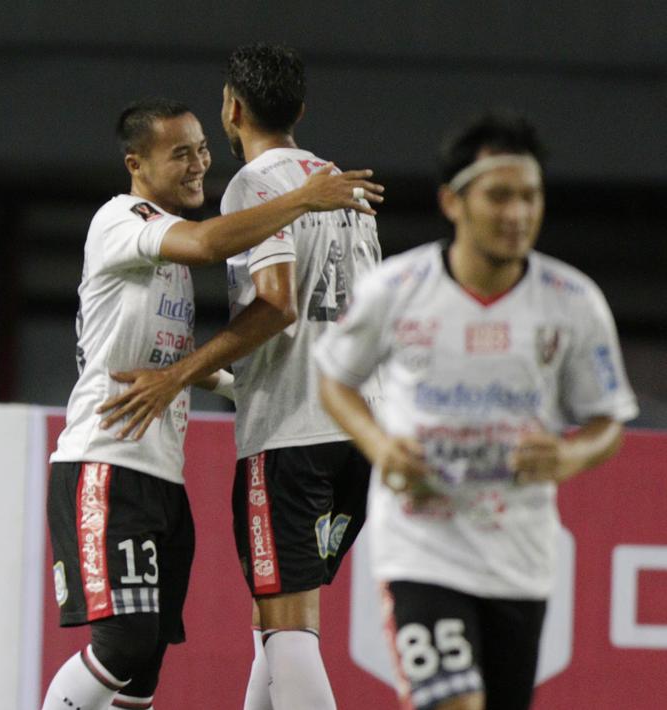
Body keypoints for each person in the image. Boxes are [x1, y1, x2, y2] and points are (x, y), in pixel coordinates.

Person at [42, 97, 383, 710]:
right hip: (105, 460)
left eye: (201, 149)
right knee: (122, 644)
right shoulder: (121, 219)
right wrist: (302, 199)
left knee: (145, 666)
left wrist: (229, 385)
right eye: (180, 154)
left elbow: (166, 359)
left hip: (161, 477)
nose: (199, 164)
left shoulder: (164, 250)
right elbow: (206, 244)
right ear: (136, 164)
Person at [314, 113, 638, 710]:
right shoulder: (397, 288)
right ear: (453, 201)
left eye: (530, 197)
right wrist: (380, 446)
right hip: (421, 546)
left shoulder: (572, 302)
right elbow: (334, 377)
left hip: (518, 555)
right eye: (499, 196)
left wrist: (568, 455)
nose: (518, 214)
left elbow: (608, 421)